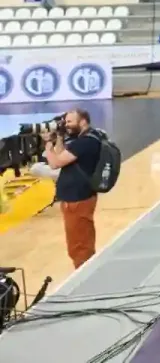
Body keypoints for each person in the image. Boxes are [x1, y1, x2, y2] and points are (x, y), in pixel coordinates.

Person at [41, 109, 101, 269]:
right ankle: (84, 271)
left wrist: (47, 145)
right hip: (76, 198)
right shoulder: (86, 138)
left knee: (80, 245)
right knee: (78, 243)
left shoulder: (85, 142)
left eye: (70, 122)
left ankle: (83, 276)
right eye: (65, 122)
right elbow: (61, 155)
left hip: (78, 199)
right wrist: (59, 137)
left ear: (83, 121)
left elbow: (55, 163)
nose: (66, 125)